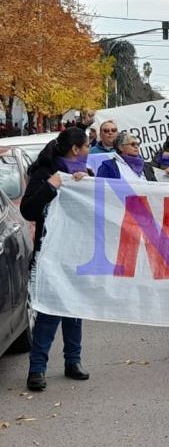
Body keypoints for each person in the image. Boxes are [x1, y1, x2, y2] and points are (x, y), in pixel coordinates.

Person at [20, 128, 92, 391]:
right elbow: (29, 210)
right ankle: (37, 369)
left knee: (74, 309)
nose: (88, 150)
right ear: (75, 148)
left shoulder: (85, 174)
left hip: (77, 251)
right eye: (86, 146)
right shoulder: (44, 173)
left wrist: (86, 185)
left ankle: (73, 361)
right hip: (50, 252)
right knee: (49, 310)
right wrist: (52, 186)